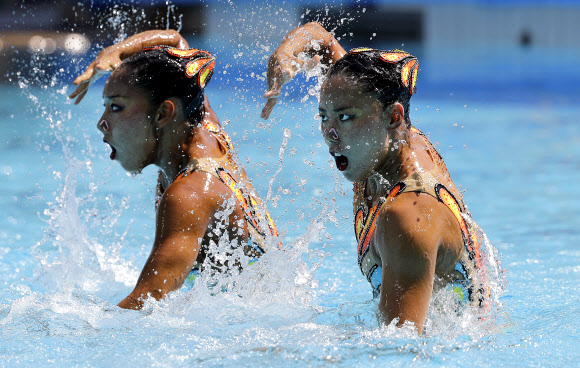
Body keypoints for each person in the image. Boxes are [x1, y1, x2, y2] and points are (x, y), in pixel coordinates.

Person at [262, 22, 500, 334]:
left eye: (345, 117)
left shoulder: (407, 215)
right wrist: (282, 59)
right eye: (324, 116)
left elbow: (397, 351)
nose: (330, 134)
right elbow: (319, 37)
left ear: (393, 117)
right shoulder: (383, 142)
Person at [69, 30, 279, 310]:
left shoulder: (189, 193)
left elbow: (142, 304)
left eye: (116, 108)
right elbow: (177, 44)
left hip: (255, 329)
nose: (101, 124)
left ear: (163, 114)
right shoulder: (198, 123)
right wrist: (119, 50)